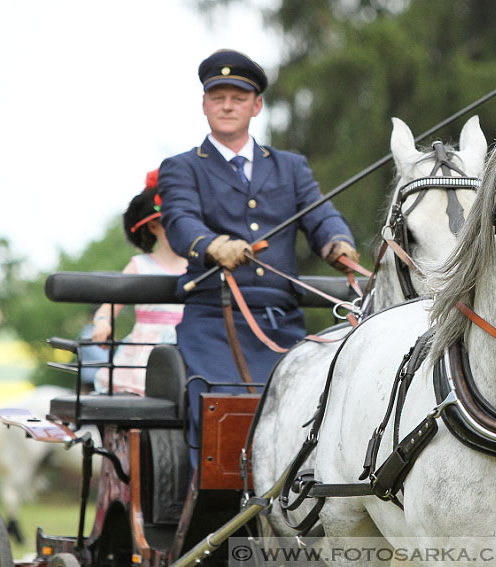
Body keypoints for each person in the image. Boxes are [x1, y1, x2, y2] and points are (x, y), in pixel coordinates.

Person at [157, 49, 359, 457]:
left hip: (283, 322)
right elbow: (180, 222)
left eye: (238, 97)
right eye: (218, 97)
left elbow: (319, 216)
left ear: (256, 105)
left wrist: (337, 244)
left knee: (312, 410)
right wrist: (214, 246)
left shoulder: (290, 166)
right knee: (227, 411)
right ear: (204, 104)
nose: (227, 106)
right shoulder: (181, 167)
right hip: (213, 317)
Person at [91, 169, 188, 395]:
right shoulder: (139, 266)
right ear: (153, 226)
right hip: (144, 357)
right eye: (170, 223)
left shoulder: (198, 266)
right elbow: (108, 308)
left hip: (188, 346)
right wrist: (104, 322)